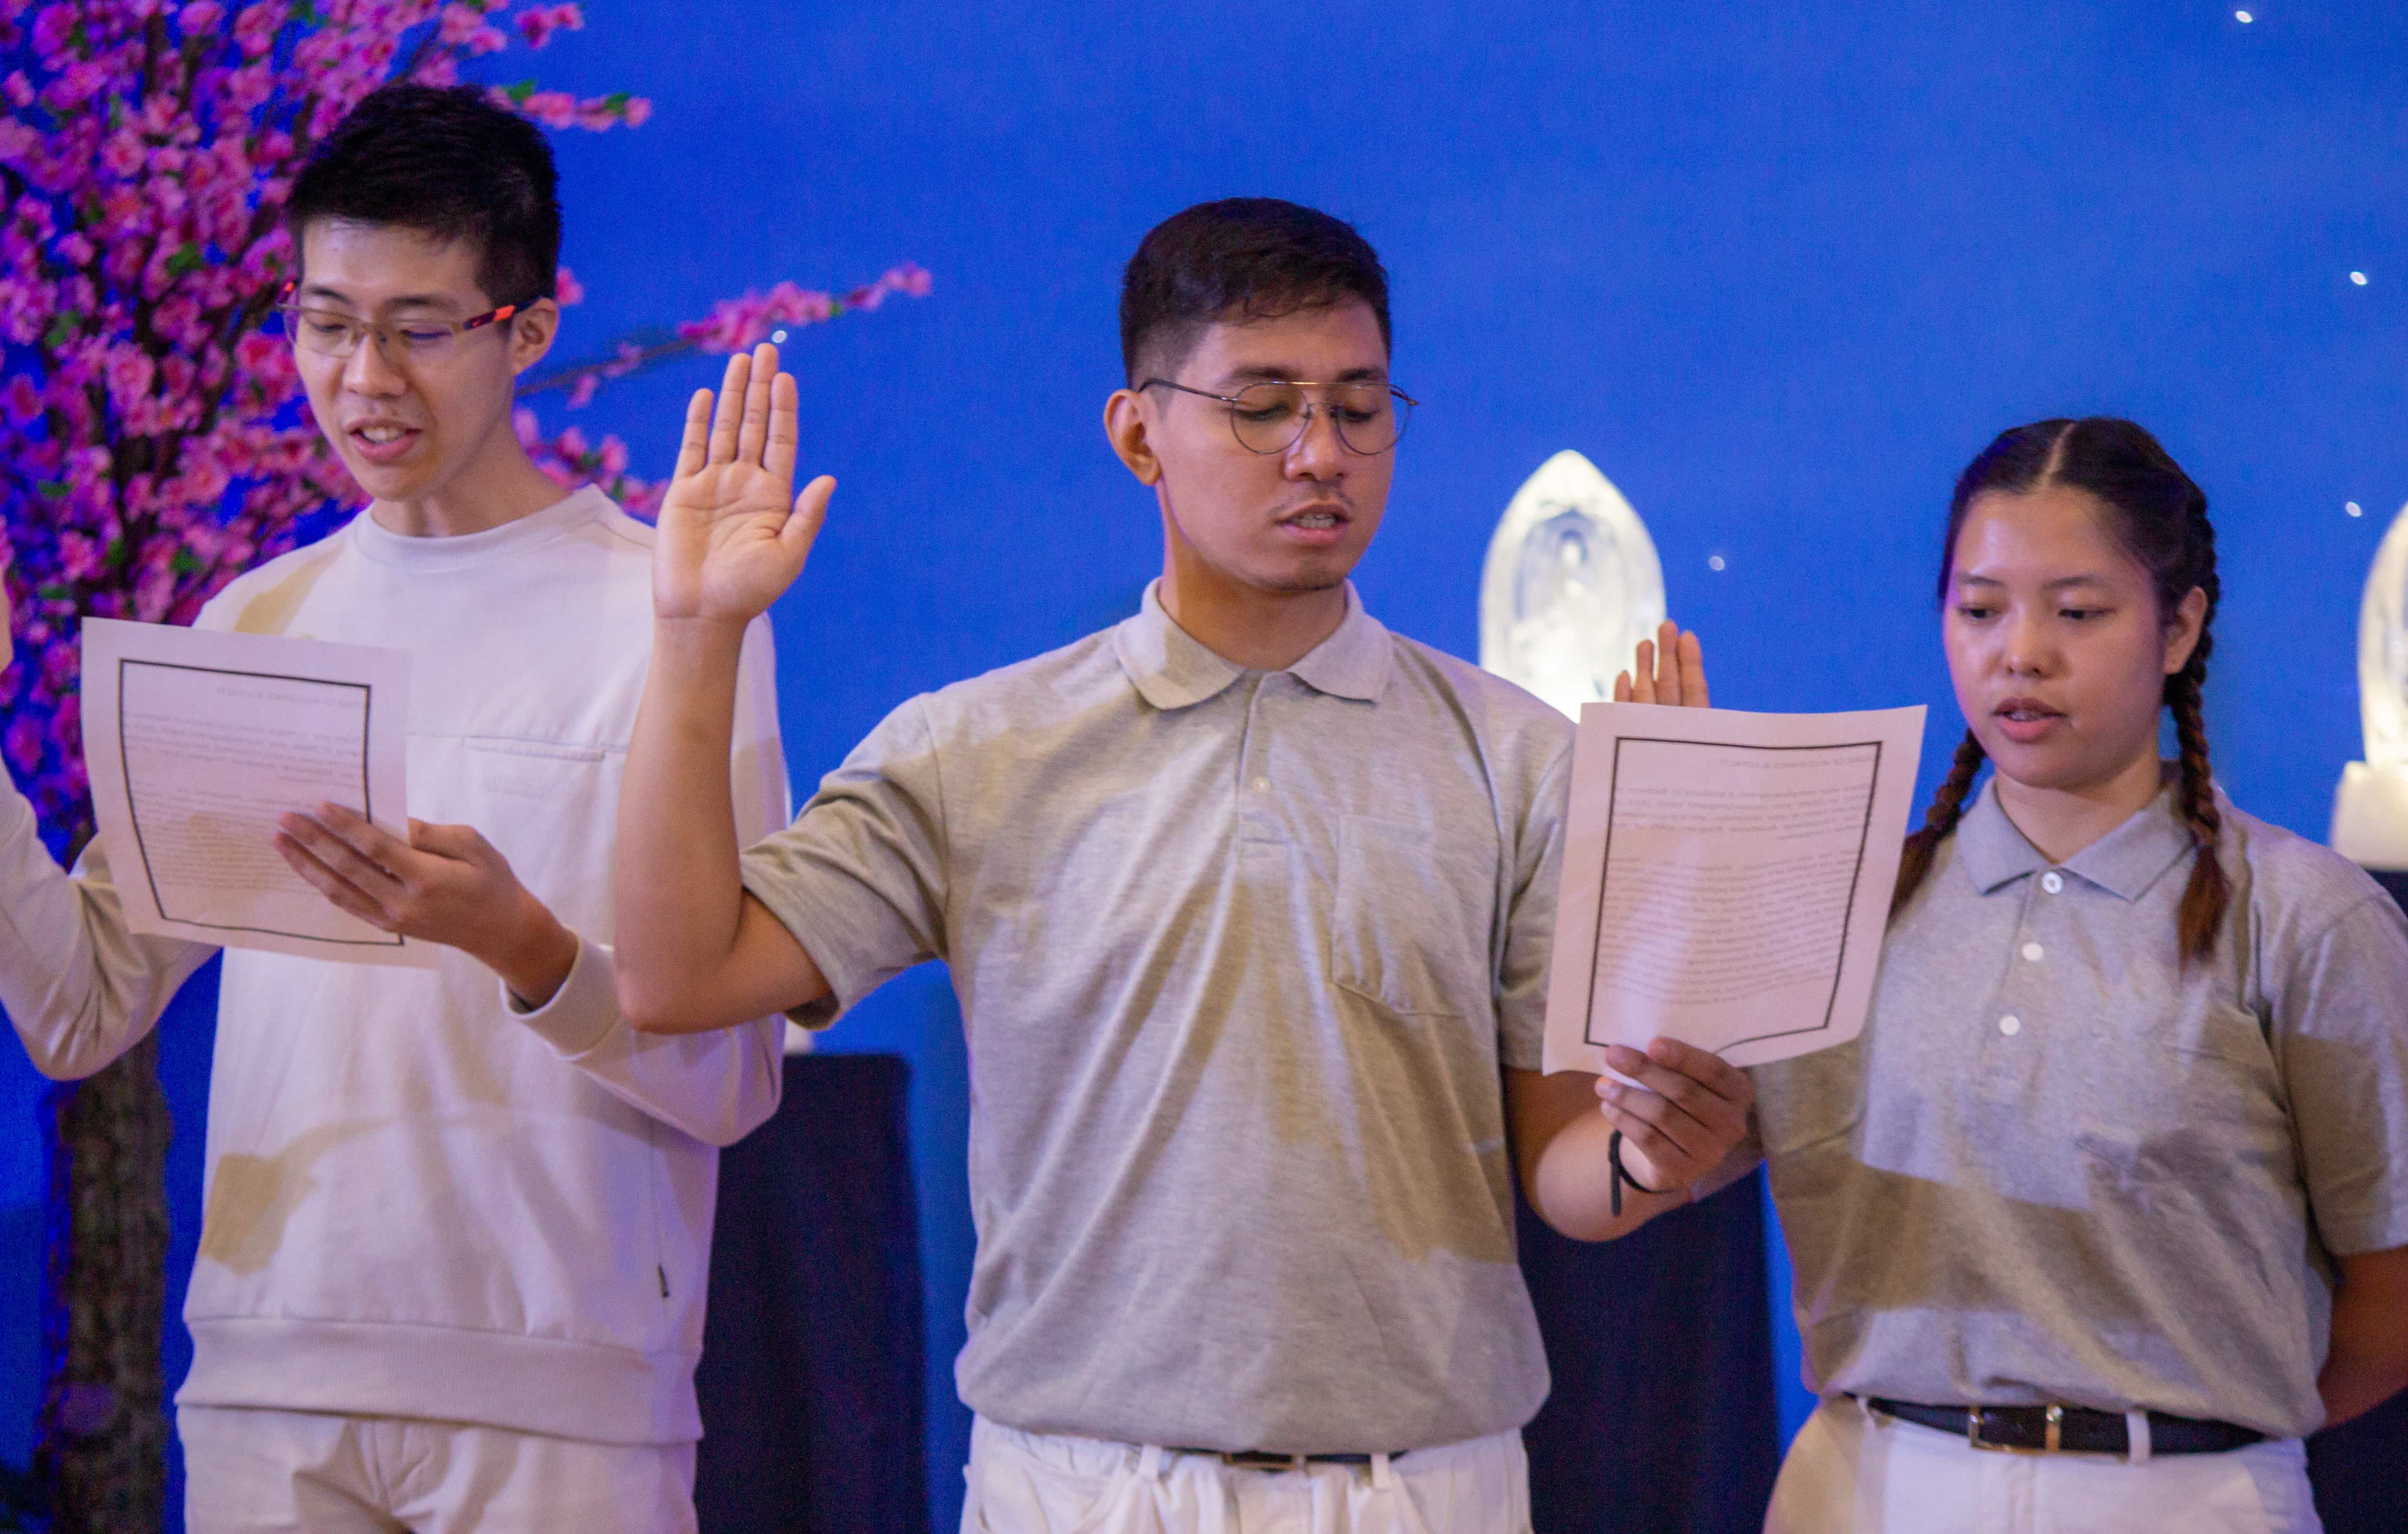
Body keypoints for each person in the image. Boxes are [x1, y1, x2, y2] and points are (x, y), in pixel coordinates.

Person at [610, 197, 1756, 1534]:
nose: (1319, 452)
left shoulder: (1518, 759)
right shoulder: (978, 747)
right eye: (1262, 405)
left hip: (1422, 1484)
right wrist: (696, 633)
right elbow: (680, 974)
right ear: (1138, 431)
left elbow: (1564, 1165)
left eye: (1359, 405)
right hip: (1085, 1483)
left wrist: (1654, 1155)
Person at [0, 83, 788, 1534]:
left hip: (567, 1407)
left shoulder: (664, 615)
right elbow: (80, 1007)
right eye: (325, 321)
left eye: (420, 329)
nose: (364, 378)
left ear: (529, 331)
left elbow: (732, 1080)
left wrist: (530, 953)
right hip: (263, 1394)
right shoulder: (253, 622)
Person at [1725, 418, 2408, 1533]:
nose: (2021, 654)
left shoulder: (2307, 918)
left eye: (2078, 612)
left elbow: (2393, 1296)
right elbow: (1637, 1176)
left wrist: (2206, 1428)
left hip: (2186, 1493)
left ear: (2180, 626)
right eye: (1981, 610)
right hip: (1875, 1486)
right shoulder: (1840, 903)